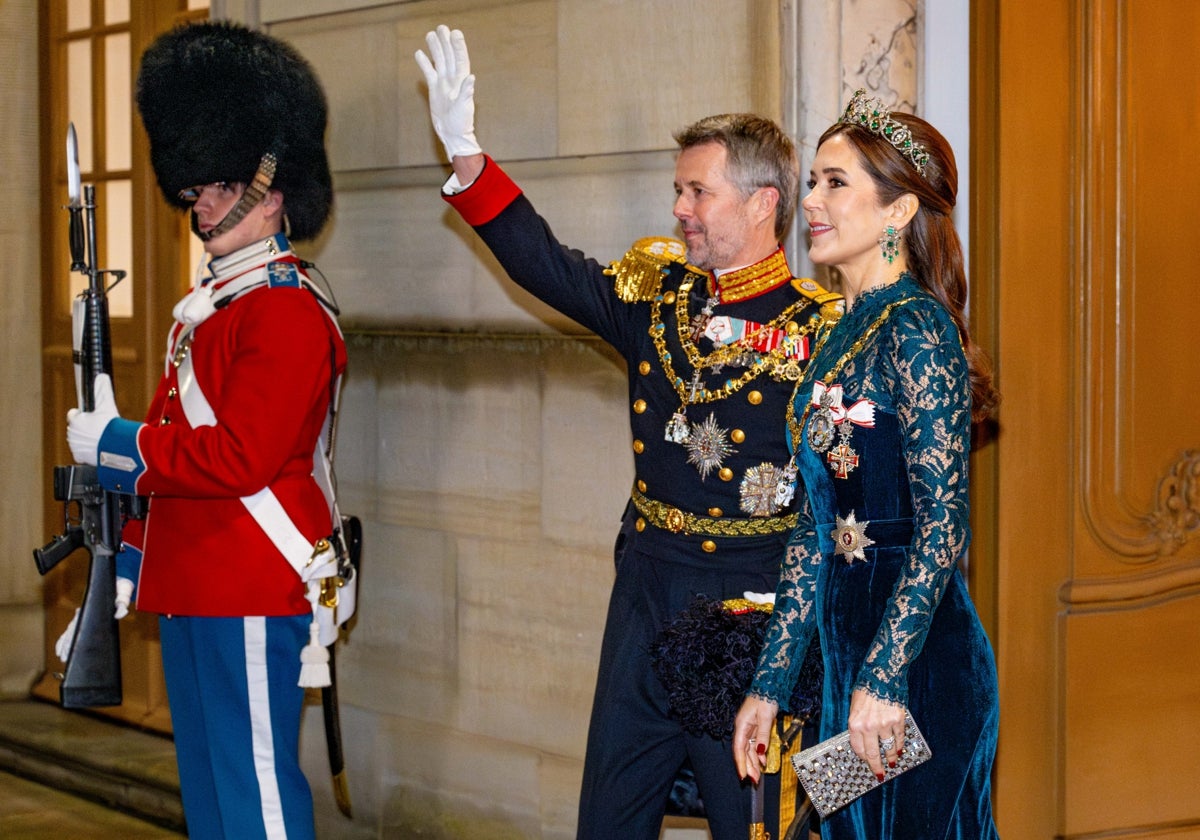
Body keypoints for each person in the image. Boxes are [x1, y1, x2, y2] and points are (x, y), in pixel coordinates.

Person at [415, 25, 839, 840]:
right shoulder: (659, 295)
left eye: (697, 193)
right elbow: (546, 264)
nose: (678, 210)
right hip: (644, 594)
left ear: (762, 204)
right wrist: (467, 154)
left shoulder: (822, 330)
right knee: (607, 820)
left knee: (754, 826)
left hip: (751, 613)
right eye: (678, 191)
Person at [65, 21, 348, 840]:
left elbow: (240, 458)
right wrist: (132, 565)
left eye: (224, 185)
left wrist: (117, 444)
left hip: (253, 578)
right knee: (212, 805)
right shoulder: (217, 308)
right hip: (196, 579)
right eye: (200, 186)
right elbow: (184, 460)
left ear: (275, 189)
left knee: (255, 795)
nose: (205, 202)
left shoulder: (288, 311)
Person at [732, 89, 1002, 837]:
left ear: (898, 213)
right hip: (851, 672)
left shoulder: (917, 329)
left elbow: (944, 528)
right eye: (812, 181)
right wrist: (770, 687)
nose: (810, 201)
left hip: (915, 681)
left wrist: (882, 679)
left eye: (834, 182)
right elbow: (811, 533)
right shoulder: (841, 332)